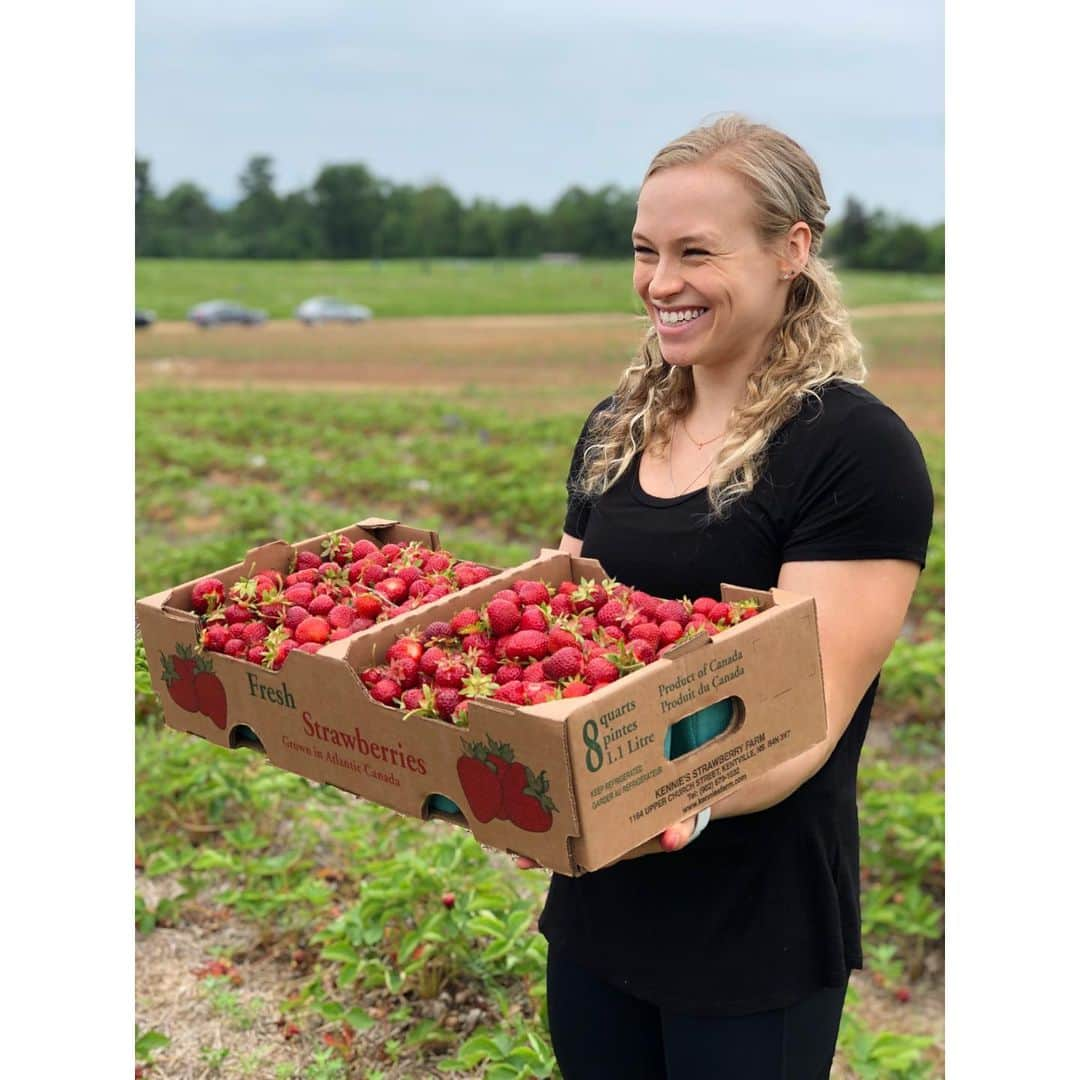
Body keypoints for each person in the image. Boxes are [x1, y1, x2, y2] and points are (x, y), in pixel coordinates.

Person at [515, 113, 934, 1079]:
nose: (661, 283)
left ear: (793, 250)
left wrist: (649, 799)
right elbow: (551, 630)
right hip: (597, 898)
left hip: (754, 923)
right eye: (645, 251)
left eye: (696, 252)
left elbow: (802, 715)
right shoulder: (618, 427)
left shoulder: (851, 451)